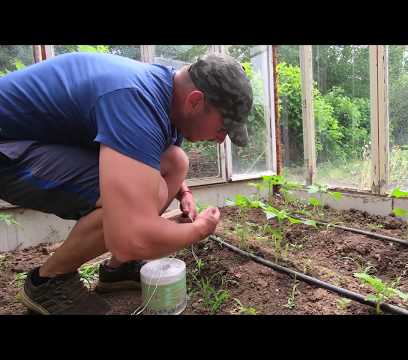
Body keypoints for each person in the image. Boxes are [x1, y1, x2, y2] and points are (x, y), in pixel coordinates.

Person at [0, 51, 253, 314]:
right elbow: (129, 238)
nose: (221, 139)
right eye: (223, 127)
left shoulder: (170, 93)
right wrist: (199, 229)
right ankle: (48, 282)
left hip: (39, 141)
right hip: (8, 148)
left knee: (175, 161)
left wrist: (184, 192)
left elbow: (154, 156)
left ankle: (117, 269)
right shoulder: (135, 100)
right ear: (196, 101)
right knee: (143, 199)